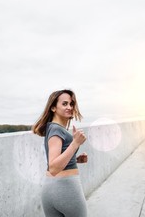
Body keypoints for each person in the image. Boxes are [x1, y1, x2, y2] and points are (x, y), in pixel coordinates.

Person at [32, 89, 88, 217]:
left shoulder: (51, 128)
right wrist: (75, 144)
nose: (69, 107)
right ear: (53, 108)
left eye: (71, 104)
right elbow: (53, 167)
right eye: (64, 104)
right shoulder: (57, 129)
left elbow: (56, 158)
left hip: (49, 190)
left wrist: (75, 159)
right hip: (67, 189)